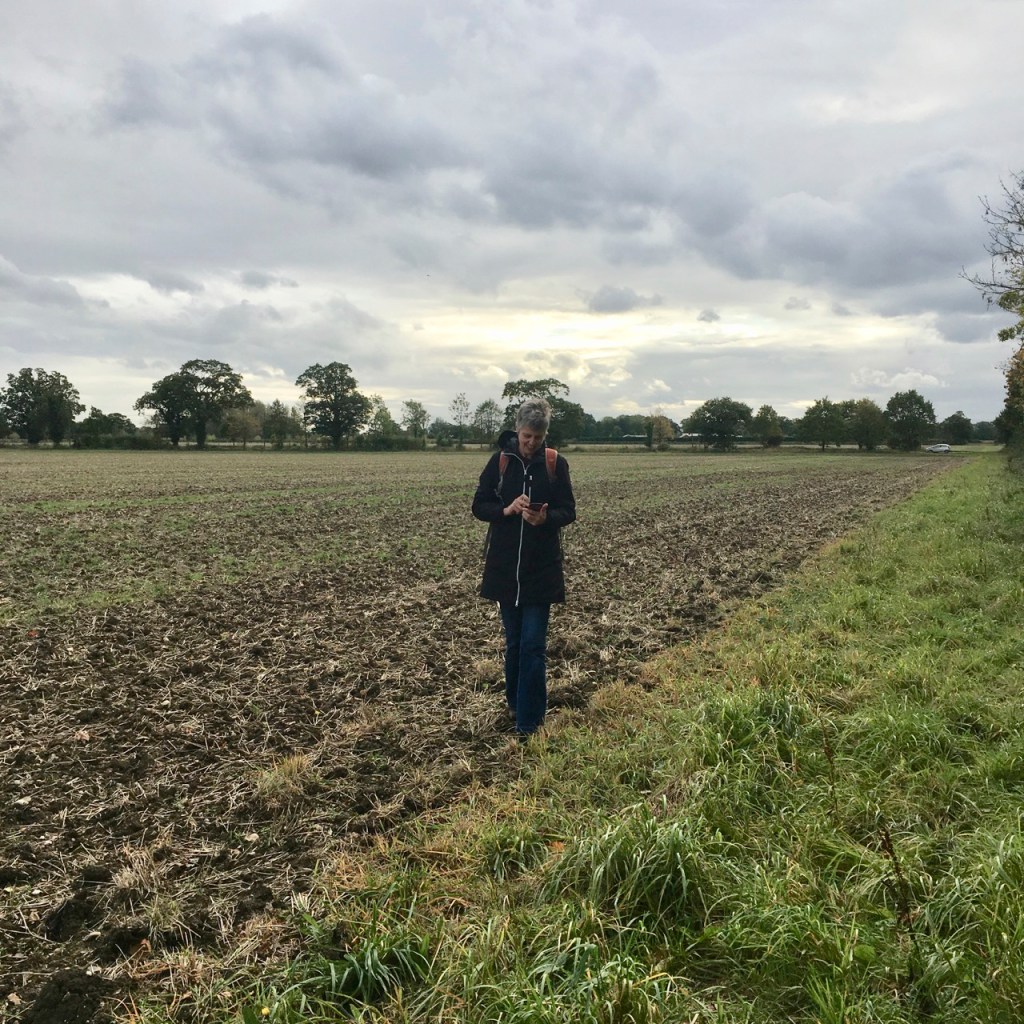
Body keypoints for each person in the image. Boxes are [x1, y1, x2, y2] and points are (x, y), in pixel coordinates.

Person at [472, 399, 577, 736]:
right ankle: (515, 703)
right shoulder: (500, 461)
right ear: (517, 430)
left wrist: (545, 518)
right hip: (505, 569)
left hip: (541, 569)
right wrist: (506, 510)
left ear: (546, 435)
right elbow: (479, 505)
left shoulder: (555, 464)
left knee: (533, 645)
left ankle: (529, 723)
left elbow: (569, 511)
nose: (532, 442)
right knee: (515, 643)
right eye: (527, 436)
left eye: (538, 437)